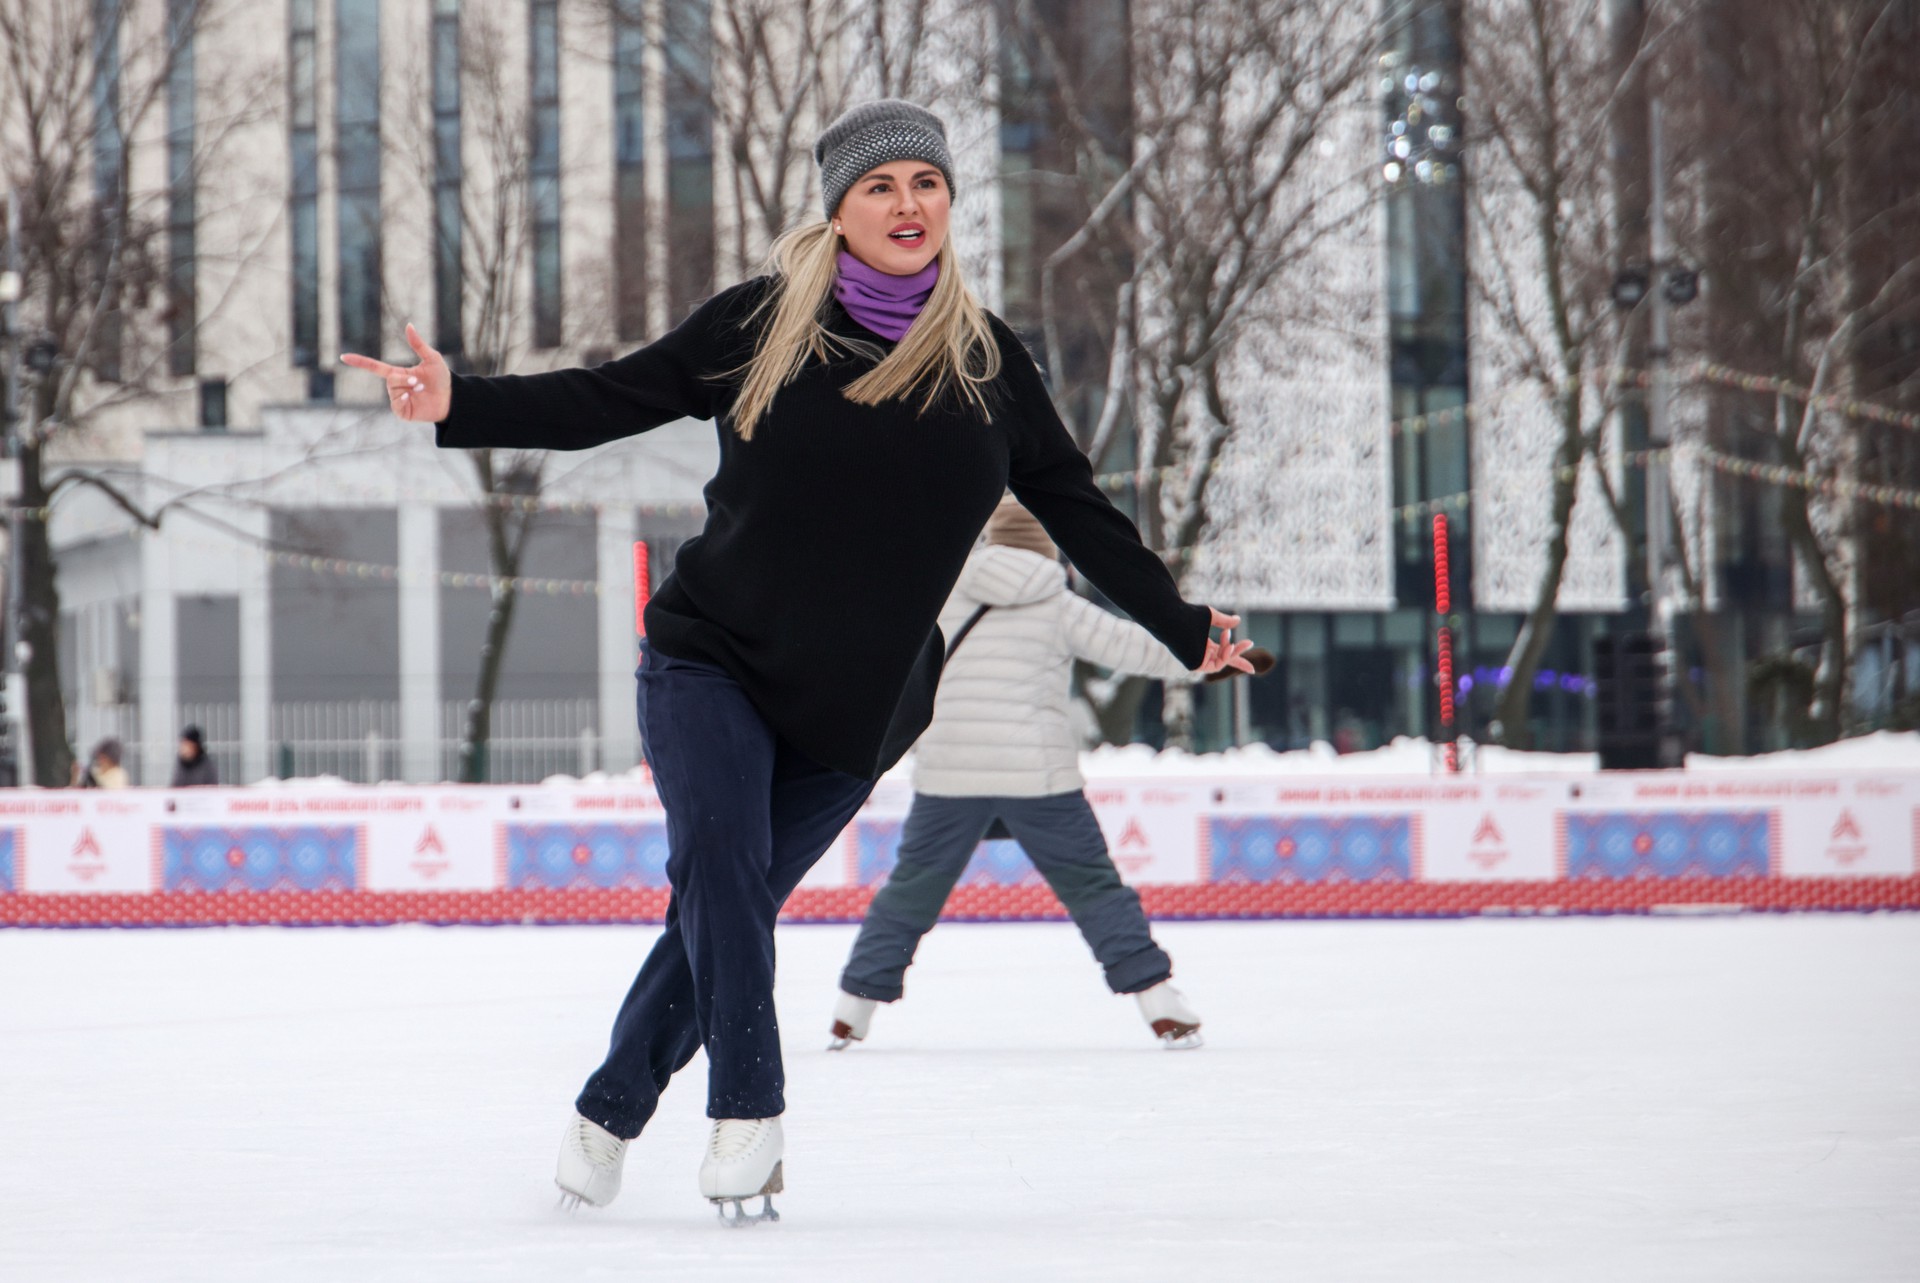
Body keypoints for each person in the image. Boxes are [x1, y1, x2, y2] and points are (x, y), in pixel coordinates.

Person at [341, 98, 1254, 1225]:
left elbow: (1079, 509)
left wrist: (1182, 622)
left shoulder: (986, 360)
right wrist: (458, 402)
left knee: (722, 908)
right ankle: (749, 1113)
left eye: (925, 183)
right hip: (710, 656)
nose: (906, 204)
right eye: (879, 187)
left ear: (950, 204)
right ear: (839, 211)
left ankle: (608, 1109)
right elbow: (611, 396)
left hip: (853, 710)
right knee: (721, 867)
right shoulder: (764, 324)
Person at [829, 497, 1270, 1054]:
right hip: (1037, 775)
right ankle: (1159, 1001)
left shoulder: (940, 595)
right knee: (1093, 887)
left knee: (913, 888)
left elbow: (878, 648)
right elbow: (1131, 645)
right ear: (1045, 548)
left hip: (950, 771)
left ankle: (853, 1008)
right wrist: (1201, 656)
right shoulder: (1054, 602)